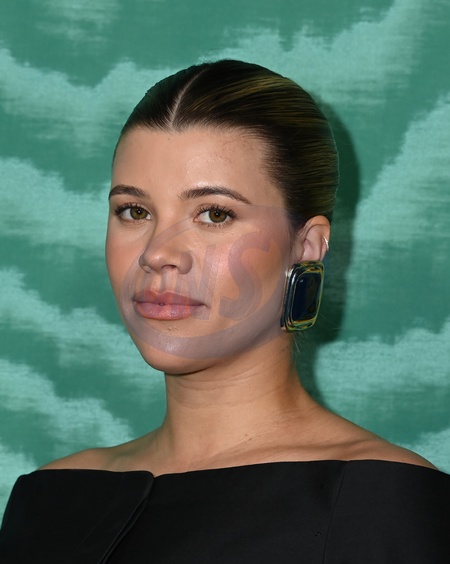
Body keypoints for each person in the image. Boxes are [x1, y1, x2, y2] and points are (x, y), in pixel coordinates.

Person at [0, 59, 448, 563]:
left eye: (214, 214)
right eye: (135, 211)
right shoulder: (47, 498)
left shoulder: (380, 500)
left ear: (306, 245)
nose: (157, 253)